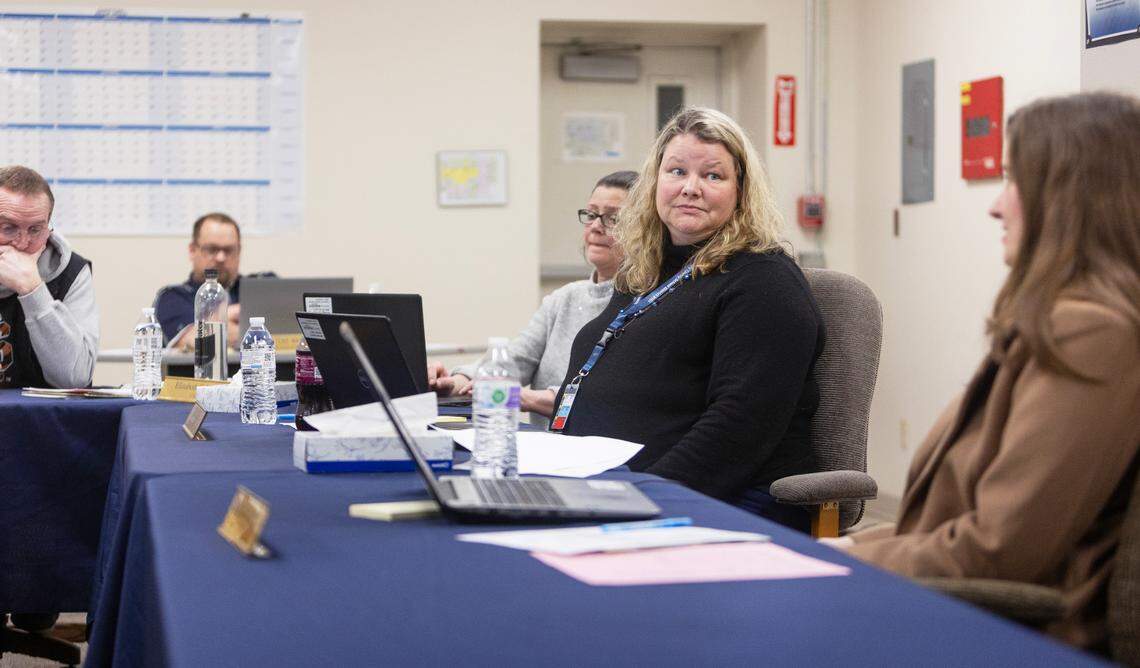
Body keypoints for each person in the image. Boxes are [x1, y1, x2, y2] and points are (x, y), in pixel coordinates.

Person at [824, 92, 1140, 652]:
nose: (996, 206)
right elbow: (947, 521)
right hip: (957, 606)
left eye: (1015, 182)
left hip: (1007, 634)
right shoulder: (1057, 320)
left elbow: (1001, 550)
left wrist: (844, 558)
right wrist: (849, 549)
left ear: (1069, 201)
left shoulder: (1093, 333)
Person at [552, 108, 824, 528]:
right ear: (655, 182)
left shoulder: (764, 281)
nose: (690, 188)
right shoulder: (643, 272)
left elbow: (739, 427)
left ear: (742, 191)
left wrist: (642, 496)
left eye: (713, 176)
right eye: (676, 171)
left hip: (715, 499)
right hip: (606, 484)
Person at [429, 170, 637, 426]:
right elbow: (514, 361)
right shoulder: (563, 299)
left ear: (644, 229)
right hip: (545, 453)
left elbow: (602, 398)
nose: (596, 226)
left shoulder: (648, 305)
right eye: (592, 214)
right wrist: (455, 382)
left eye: (613, 218)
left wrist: (520, 397)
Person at [0, 165, 98, 389]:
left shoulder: (71, 271)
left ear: (48, 229)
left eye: (35, 229)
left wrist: (32, 289)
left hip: (46, 420)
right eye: (8, 228)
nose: (22, 243)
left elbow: (74, 378)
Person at [152, 212, 273, 349]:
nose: (221, 258)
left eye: (228, 250)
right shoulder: (172, 298)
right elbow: (191, 343)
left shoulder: (263, 287)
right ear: (192, 250)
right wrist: (235, 318)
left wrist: (213, 326)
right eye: (211, 249)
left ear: (239, 251)